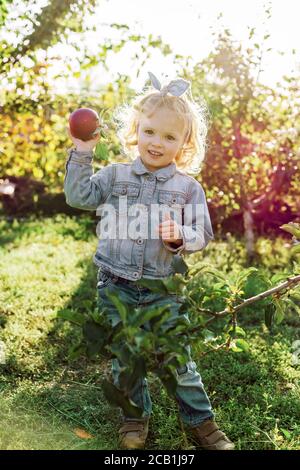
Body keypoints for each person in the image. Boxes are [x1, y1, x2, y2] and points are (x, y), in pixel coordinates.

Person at [64, 72, 235, 450]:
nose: (157, 143)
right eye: (150, 132)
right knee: (126, 360)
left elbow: (201, 233)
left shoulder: (188, 188)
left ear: (184, 144)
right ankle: (134, 419)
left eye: (169, 137)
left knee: (178, 360)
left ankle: (201, 423)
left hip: (163, 290)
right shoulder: (114, 175)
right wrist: (82, 151)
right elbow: (79, 196)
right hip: (116, 285)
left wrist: (180, 239)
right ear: (136, 129)